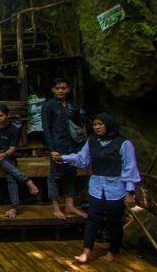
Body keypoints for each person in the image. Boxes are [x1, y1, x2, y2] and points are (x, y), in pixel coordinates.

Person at [52, 113, 140, 264]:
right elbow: (82, 158)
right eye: (95, 125)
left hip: (116, 188)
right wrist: (63, 158)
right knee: (92, 219)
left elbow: (129, 167)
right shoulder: (92, 141)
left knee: (114, 221)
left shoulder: (123, 144)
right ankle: (87, 251)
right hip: (97, 186)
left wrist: (130, 191)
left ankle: (113, 250)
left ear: (108, 125)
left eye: (100, 124)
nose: (97, 127)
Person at [42, 77, 87, 219]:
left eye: (64, 88)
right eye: (58, 88)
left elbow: (80, 127)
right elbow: (46, 128)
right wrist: (52, 149)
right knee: (55, 176)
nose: (61, 90)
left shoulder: (73, 106)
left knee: (71, 175)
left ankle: (69, 205)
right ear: (53, 90)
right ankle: (55, 207)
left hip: (72, 146)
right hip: (57, 146)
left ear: (69, 89)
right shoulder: (49, 106)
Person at [0, 104, 39, 218]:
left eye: (1, 116)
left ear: (7, 115)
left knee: (11, 176)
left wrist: (3, 154)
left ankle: (14, 208)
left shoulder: (13, 130)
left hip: (7, 156)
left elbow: (12, 148)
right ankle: (27, 181)